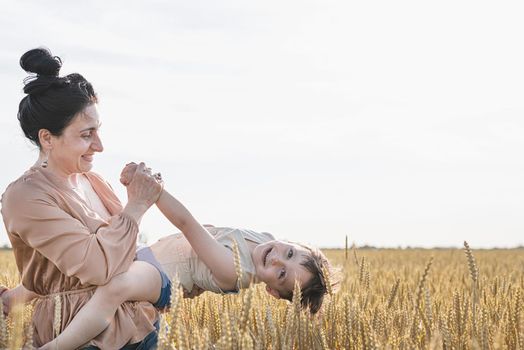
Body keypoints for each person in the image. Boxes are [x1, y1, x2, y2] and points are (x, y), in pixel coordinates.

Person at [3, 160, 336, 350]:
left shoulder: (235, 272)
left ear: (270, 290)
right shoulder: (265, 239)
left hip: (162, 278)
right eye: (289, 253)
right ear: (289, 241)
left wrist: (153, 190)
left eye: (281, 274)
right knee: (78, 273)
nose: (277, 259)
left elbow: (188, 224)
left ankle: (56, 348)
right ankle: (9, 302)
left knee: (115, 287)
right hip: (149, 254)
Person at [0, 47, 163, 349]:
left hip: (141, 328)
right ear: (47, 138)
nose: (99, 146)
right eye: (87, 135)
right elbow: (98, 267)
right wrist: (137, 205)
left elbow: (111, 259)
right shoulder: (25, 197)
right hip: (83, 339)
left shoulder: (93, 181)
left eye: (98, 132)